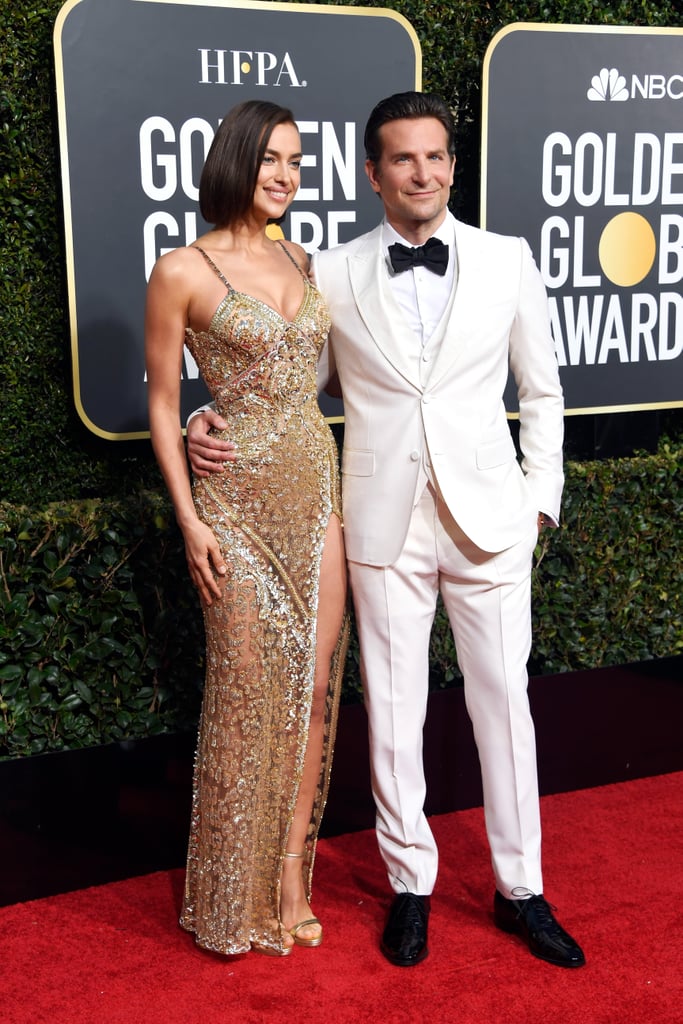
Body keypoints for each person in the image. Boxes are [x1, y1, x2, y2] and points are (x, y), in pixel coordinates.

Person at [186, 92, 585, 970]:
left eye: (436, 156)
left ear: (451, 163)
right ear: (372, 173)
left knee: (504, 711)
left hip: (488, 523)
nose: (424, 173)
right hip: (379, 522)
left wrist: (537, 505)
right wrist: (207, 417)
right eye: (403, 159)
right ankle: (412, 887)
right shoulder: (330, 270)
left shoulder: (505, 260)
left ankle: (521, 890)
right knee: (394, 716)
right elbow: (291, 380)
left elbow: (543, 391)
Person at [145, 99, 348, 958]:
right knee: (241, 697)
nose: (285, 175)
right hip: (232, 506)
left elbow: (321, 381)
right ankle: (231, 896)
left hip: (315, 494)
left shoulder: (304, 257)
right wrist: (189, 518)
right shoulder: (180, 271)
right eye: (271, 158)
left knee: (312, 697)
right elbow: (161, 402)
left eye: (297, 161)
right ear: (234, 159)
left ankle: (291, 881)